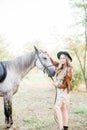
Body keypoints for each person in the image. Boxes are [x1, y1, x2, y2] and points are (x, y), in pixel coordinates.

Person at [51, 51, 73, 130]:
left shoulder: (68, 69)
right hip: (59, 91)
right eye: (61, 58)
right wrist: (47, 55)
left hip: (63, 91)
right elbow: (53, 62)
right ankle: (65, 127)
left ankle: (61, 128)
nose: (62, 59)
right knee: (63, 108)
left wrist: (57, 85)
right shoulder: (61, 67)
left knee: (56, 107)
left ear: (67, 59)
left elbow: (67, 85)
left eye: (64, 58)